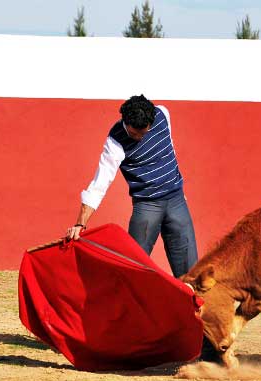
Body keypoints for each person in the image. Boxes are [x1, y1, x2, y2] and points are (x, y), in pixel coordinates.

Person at [65, 95, 219, 363]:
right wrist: (81, 223)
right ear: (125, 122)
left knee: (192, 277)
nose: (140, 136)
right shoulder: (115, 142)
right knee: (132, 276)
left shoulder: (163, 115)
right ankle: (126, 343)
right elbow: (100, 184)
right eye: (136, 132)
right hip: (146, 209)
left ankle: (208, 349)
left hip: (176, 202)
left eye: (145, 131)